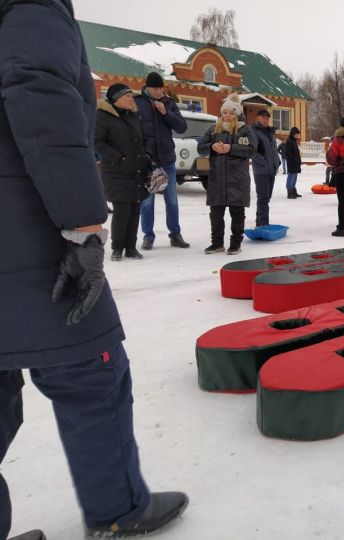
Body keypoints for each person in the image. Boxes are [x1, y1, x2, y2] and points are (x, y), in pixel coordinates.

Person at [0, 1, 188, 538]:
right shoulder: (29, 8)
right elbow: (43, 107)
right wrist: (83, 224)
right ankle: (117, 510)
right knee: (92, 372)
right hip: (28, 236)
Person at [134, 72, 190, 250]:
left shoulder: (169, 103)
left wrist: (165, 113)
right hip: (147, 161)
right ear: (147, 87)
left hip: (167, 160)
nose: (158, 91)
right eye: (154, 88)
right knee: (147, 201)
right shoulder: (138, 103)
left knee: (172, 200)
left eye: (160, 87)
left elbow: (182, 127)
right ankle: (148, 236)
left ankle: (175, 234)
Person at [94, 84, 151, 262]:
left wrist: (147, 154)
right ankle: (117, 248)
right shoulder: (103, 116)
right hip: (116, 171)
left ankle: (131, 247)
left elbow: (145, 138)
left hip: (137, 170)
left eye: (131, 97)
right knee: (122, 209)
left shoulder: (133, 116)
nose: (131, 100)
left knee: (135, 209)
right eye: (128, 97)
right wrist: (118, 157)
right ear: (116, 98)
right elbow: (96, 141)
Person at [197, 94, 258, 255]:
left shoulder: (245, 130)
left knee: (237, 213)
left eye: (231, 113)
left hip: (237, 180)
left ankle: (235, 243)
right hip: (217, 179)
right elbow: (200, 147)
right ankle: (217, 243)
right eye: (225, 112)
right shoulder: (213, 129)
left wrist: (231, 148)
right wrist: (212, 146)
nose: (228, 115)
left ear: (237, 114)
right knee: (216, 213)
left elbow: (252, 150)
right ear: (221, 113)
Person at [251, 108, 281, 227]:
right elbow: (252, 151)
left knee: (266, 198)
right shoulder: (253, 132)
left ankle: (259, 220)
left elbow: (273, 150)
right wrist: (262, 162)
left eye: (267, 117)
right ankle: (263, 225)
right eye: (263, 117)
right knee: (263, 198)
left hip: (271, 170)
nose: (265, 119)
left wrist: (277, 161)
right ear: (257, 117)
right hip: (261, 170)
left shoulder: (269, 133)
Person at [284, 127, 302, 198]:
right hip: (292, 163)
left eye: (298, 134)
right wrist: (294, 161)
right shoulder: (289, 141)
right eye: (297, 134)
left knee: (294, 177)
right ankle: (289, 192)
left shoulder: (294, 141)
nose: (298, 136)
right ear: (293, 134)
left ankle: (293, 190)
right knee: (291, 177)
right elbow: (288, 153)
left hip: (296, 163)